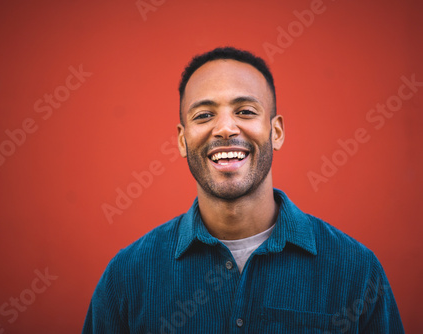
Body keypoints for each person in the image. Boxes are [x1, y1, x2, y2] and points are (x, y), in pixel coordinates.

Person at [82, 47, 404, 333]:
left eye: (245, 111)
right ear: (182, 140)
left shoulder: (356, 270)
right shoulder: (126, 277)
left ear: (275, 132)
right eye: (204, 115)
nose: (224, 128)